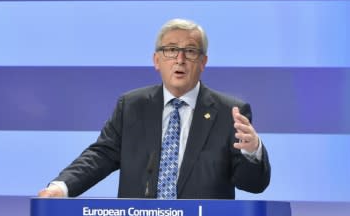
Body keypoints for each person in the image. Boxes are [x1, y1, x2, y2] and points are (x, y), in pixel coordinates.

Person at [38, 18, 270, 199]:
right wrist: (62, 186)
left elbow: (253, 184)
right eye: (170, 50)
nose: (179, 59)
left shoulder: (230, 112)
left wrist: (252, 151)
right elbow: (101, 156)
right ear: (156, 60)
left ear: (203, 62)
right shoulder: (132, 106)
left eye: (190, 51)